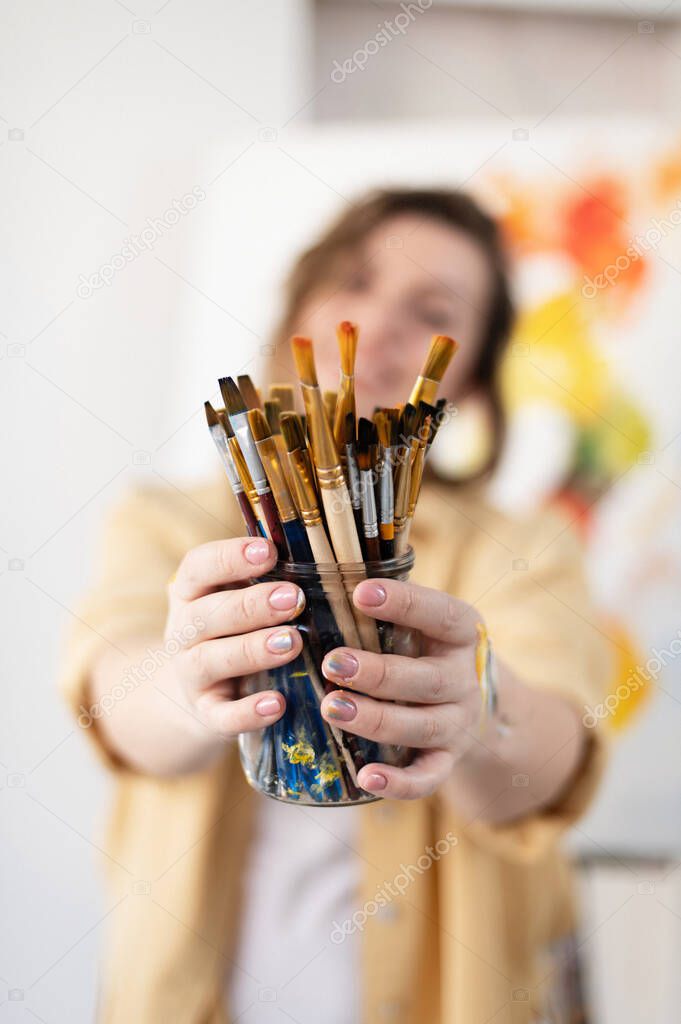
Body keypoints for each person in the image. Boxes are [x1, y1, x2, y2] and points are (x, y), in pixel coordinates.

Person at [61, 189, 610, 1024]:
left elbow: (554, 760)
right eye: (355, 279)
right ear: (301, 300)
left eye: (431, 310)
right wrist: (185, 681)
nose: (381, 323)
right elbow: (112, 699)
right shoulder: (163, 521)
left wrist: (483, 705)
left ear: (471, 376)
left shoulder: (528, 545)